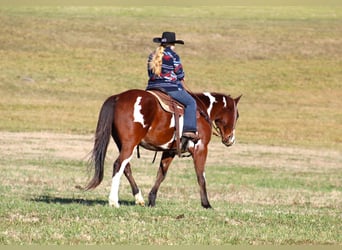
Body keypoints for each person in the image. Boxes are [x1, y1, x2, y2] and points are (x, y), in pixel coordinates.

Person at [146, 31, 199, 142]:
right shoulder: (173, 56)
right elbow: (179, 73)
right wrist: (181, 77)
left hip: (152, 87)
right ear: (173, 44)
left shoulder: (152, 55)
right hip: (170, 88)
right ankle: (188, 130)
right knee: (191, 103)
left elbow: (150, 73)